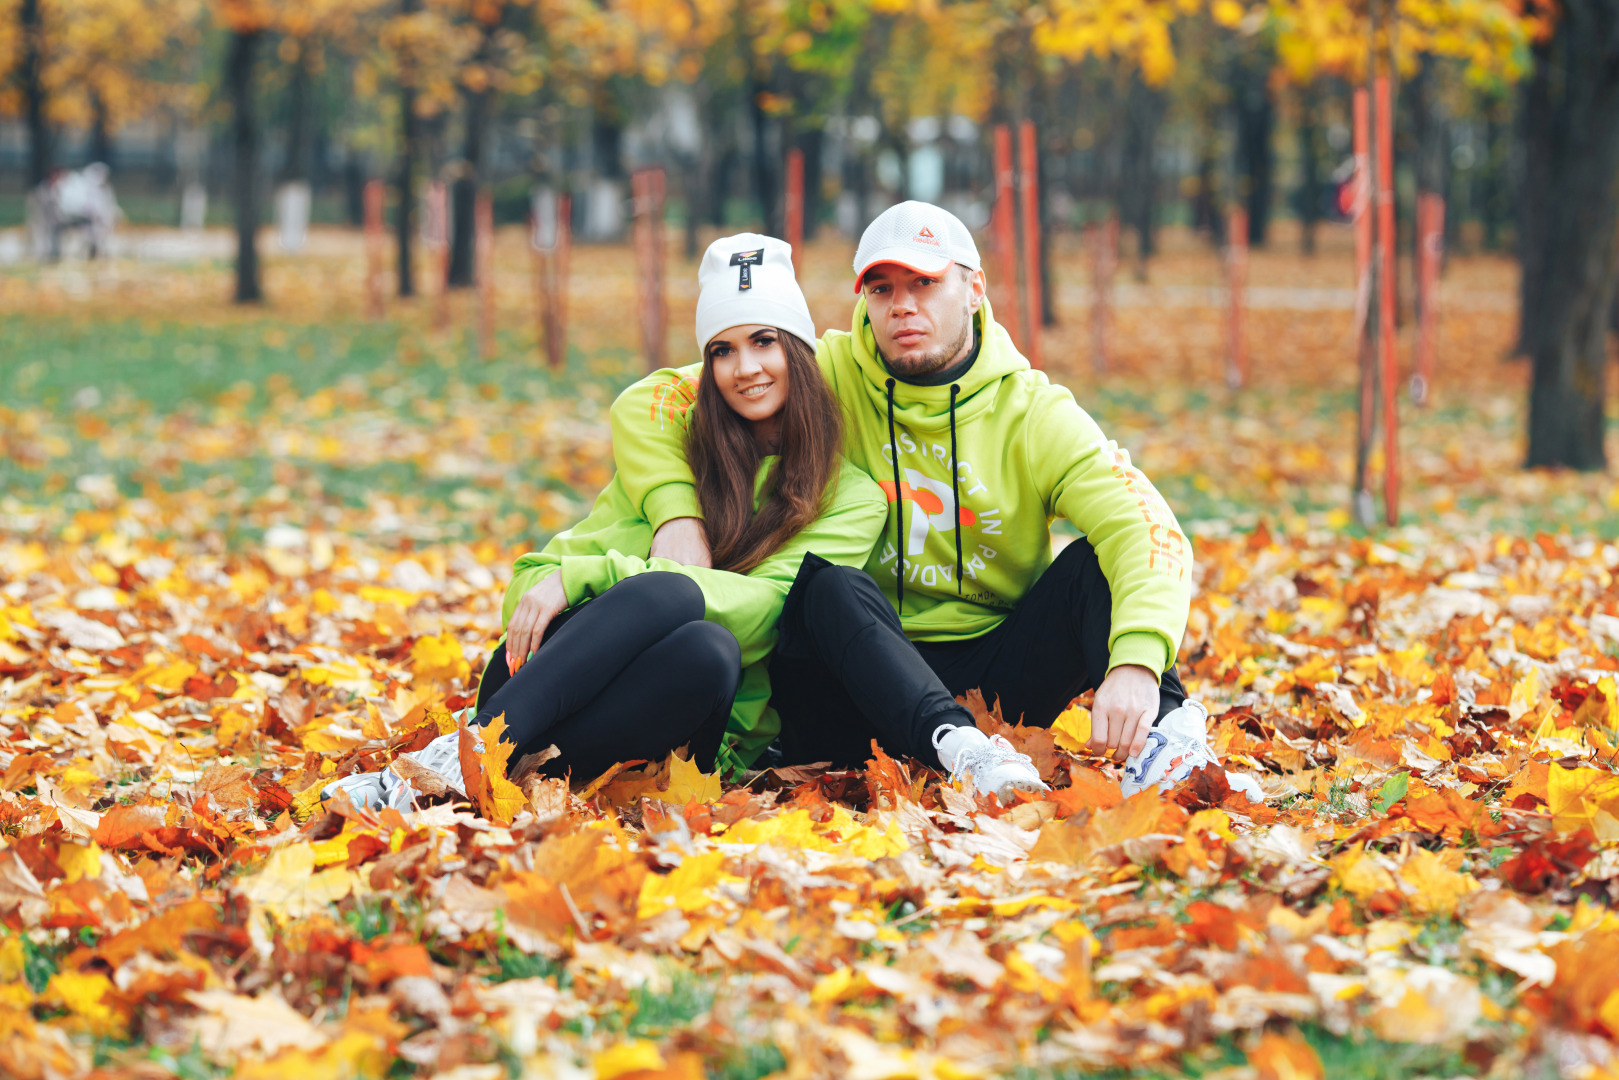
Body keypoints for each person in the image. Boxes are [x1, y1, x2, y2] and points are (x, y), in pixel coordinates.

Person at [608, 202, 1263, 803]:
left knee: (1098, 563)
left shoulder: (1031, 410)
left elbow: (1146, 526)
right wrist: (676, 514)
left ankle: (1171, 742)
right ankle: (961, 754)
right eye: (882, 289)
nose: (902, 306)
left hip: (997, 676)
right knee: (827, 585)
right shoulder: (826, 376)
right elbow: (652, 403)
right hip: (851, 681)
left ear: (973, 289)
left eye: (925, 284)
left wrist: (1137, 662)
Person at [325, 234, 888, 810]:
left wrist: (598, 577)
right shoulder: (677, 447)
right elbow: (530, 587)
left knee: (709, 645)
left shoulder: (850, 498)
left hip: (679, 716)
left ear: (798, 348)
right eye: (722, 350)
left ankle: (473, 763)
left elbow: (769, 611)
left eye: (764, 341)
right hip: (535, 690)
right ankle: (456, 763)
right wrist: (578, 579)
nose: (745, 369)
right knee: (669, 595)